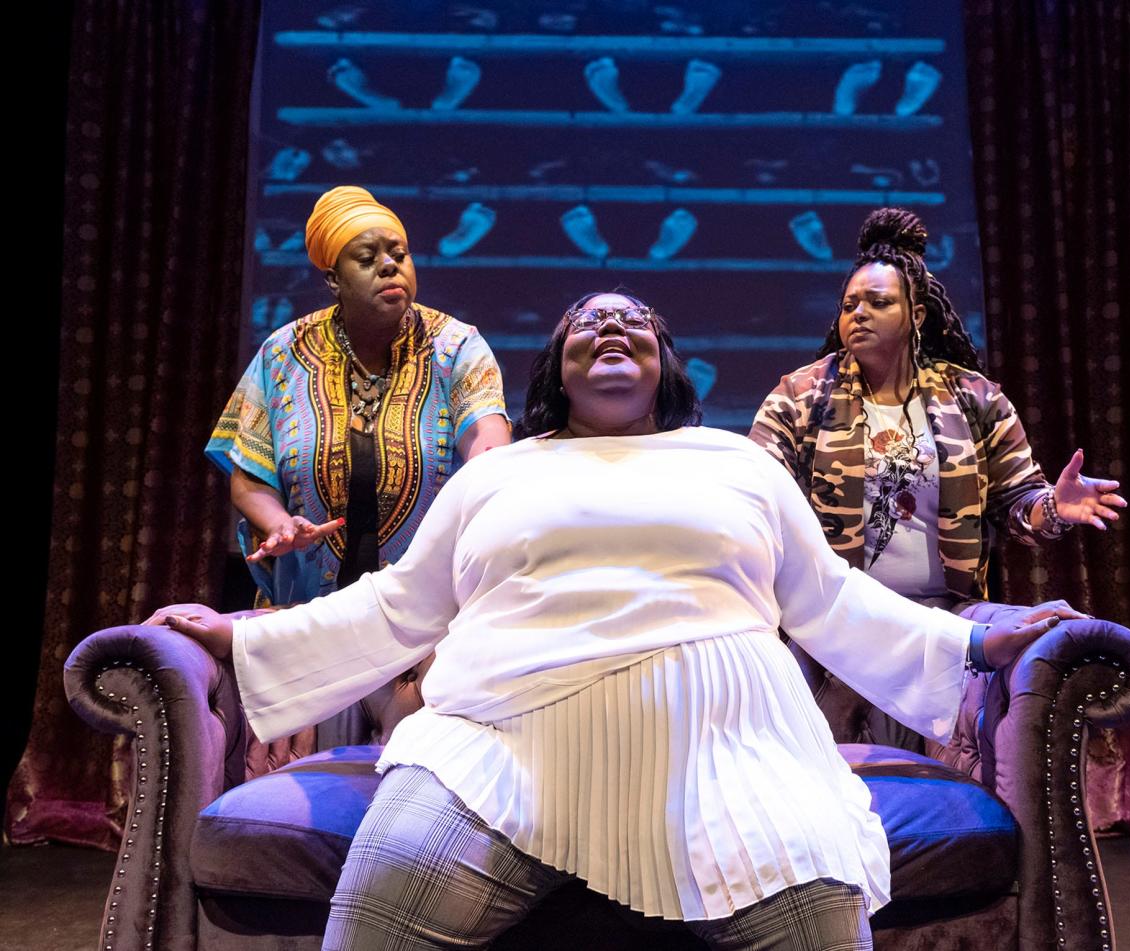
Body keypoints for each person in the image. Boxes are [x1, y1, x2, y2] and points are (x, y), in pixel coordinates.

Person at [151, 292, 1082, 950]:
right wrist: (239, 635)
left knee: (823, 918)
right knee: (377, 913)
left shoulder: (738, 463)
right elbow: (399, 604)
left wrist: (972, 642)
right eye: (586, 322)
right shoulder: (498, 473)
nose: (610, 326)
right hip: (494, 751)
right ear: (556, 369)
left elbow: (829, 599)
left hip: (737, 753)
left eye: (634, 322)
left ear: (663, 365)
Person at [749, 208, 1126, 747]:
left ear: (917, 314)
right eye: (849, 304)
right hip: (840, 618)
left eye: (878, 302)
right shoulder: (801, 395)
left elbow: (1021, 505)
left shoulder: (974, 398)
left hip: (947, 615)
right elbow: (759, 489)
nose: (858, 314)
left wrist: (1054, 508)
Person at [207, 185, 510, 608]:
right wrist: (279, 525)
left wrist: (489, 479)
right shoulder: (283, 352)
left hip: (426, 612)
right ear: (334, 279)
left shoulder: (456, 347)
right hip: (305, 606)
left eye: (399, 255)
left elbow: (487, 445)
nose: (389, 267)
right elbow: (251, 474)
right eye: (368, 260)